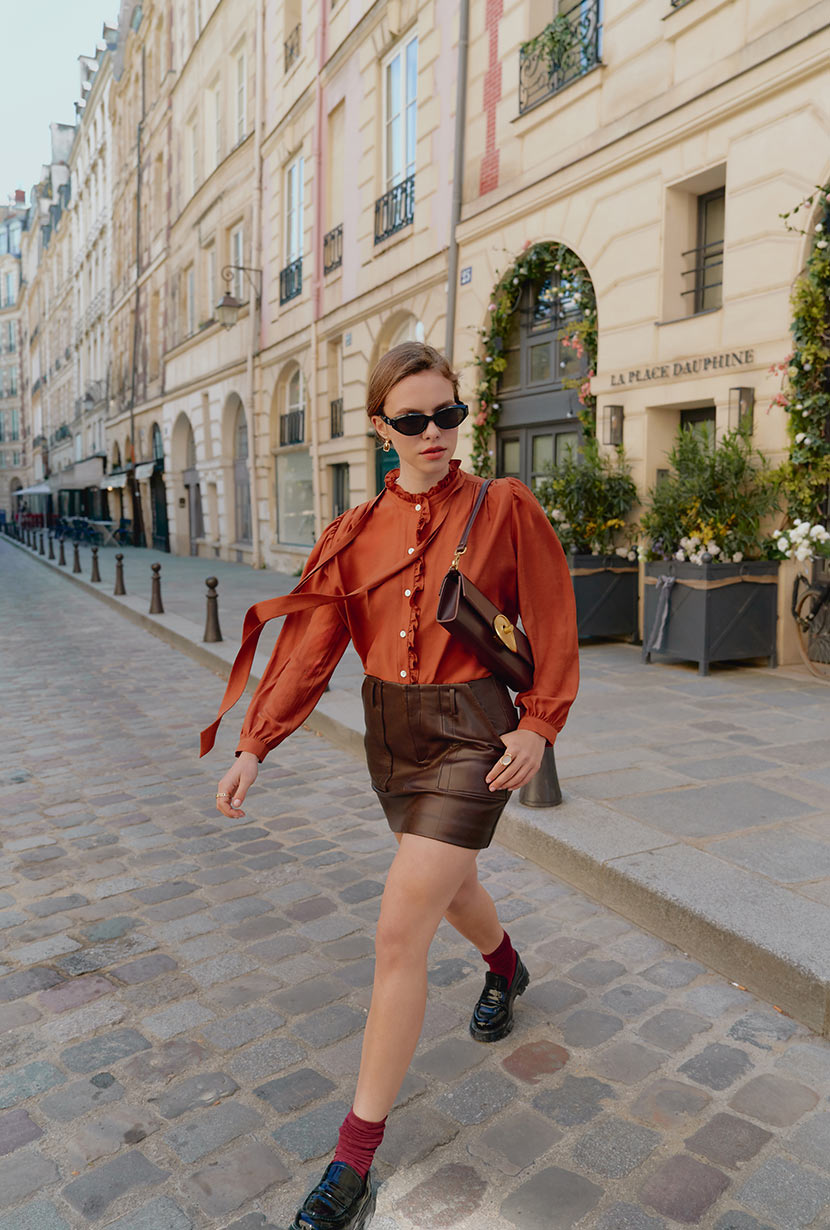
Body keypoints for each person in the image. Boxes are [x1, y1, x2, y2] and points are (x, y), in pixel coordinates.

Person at [202, 342, 579, 1230]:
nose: (434, 433)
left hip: (473, 733)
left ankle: (353, 1158)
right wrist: (257, 743)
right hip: (393, 737)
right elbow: (310, 648)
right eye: (411, 420)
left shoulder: (503, 508)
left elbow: (555, 617)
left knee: (398, 927)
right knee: (453, 891)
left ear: (463, 413)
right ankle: (507, 966)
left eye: (447, 414)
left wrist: (538, 721)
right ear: (381, 428)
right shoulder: (354, 532)